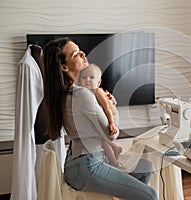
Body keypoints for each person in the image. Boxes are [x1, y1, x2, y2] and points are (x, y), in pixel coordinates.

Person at [42, 37, 157, 200]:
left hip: (81, 161)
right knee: (150, 195)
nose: (83, 54)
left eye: (80, 50)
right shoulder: (81, 94)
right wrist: (111, 106)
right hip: (87, 167)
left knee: (144, 167)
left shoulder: (68, 92)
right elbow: (112, 135)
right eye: (76, 54)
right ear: (64, 67)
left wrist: (106, 103)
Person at [77, 63, 123, 167]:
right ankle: (115, 151)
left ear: (98, 82)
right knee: (101, 139)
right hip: (107, 115)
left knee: (102, 139)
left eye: (91, 77)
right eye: (84, 77)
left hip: (111, 115)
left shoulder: (97, 91)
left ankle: (114, 157)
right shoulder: (86, 93)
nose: (88, 80)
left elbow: (107, 107)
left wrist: (111, 123)